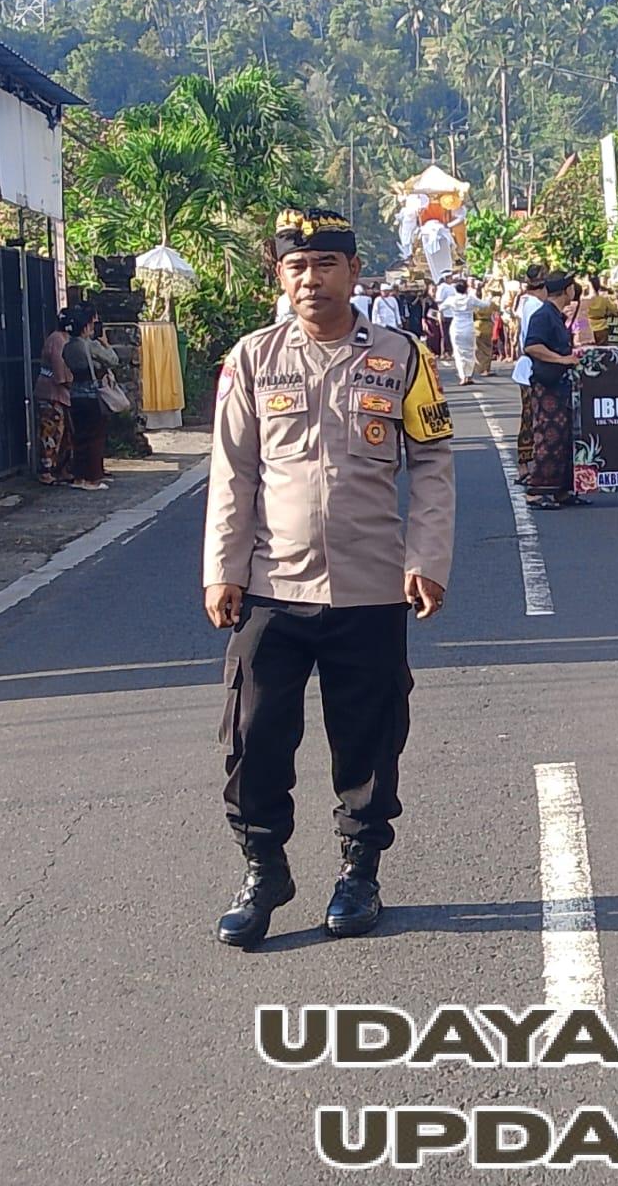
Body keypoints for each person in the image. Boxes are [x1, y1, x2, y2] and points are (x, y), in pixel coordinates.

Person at [203, 206, 454, 948]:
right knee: (253, 733)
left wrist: (427, 560)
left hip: (373, 586)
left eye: (325, 265)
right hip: (271, 587)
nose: (311, 280)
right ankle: (264, 869)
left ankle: (359, 872)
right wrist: (223, 569)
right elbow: (232, 470)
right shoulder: (252, 359)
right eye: (296, 267)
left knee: (369, 737)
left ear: (352, 272)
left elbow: (434, 465)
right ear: (279, 277)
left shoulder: (402, 357)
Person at [522, 271, 584, 511]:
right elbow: (532, 346)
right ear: (567, 290)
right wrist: (561, 360)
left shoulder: (556, 316)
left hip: (560, 385)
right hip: (547, 384)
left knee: (566, 437)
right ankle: (537, 492)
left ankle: (561, 490)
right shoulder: (543, 315)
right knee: (549, 438)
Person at [60, 306, 110, 492]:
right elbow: (112, 360)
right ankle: (92, 478)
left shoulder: (68, 347)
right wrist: (105, 343)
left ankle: (79, 476)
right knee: (95, 437)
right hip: (92, 394)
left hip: (75, 393)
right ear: (86, 326)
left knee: (79, 437)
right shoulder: (90, 345)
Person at [511, 266, 548, 485]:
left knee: (531, 417)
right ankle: (525, 463)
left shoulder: (526, 303)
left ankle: (527, 463)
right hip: (532, 367)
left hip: (529, 366)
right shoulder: (535, 306)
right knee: (531, 417)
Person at [35, 311, 75, 486]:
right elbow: (60, 372)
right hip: (53, 393)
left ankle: (60, 468)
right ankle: (47, 470)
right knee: (50, 433)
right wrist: (69, 382)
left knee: (63, 433)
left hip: (60, 393)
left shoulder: (63, 339)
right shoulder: (58, 340)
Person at [439, 278, 490, 387]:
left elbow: (440, 307)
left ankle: (463, 376)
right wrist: (489, 297)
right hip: (468, 327)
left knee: (458, 353)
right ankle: (469, 375)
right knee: (470, 352)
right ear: (466, 288)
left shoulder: (451, 299)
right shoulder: (470, 299)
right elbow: (484, 305)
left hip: (456, 327)